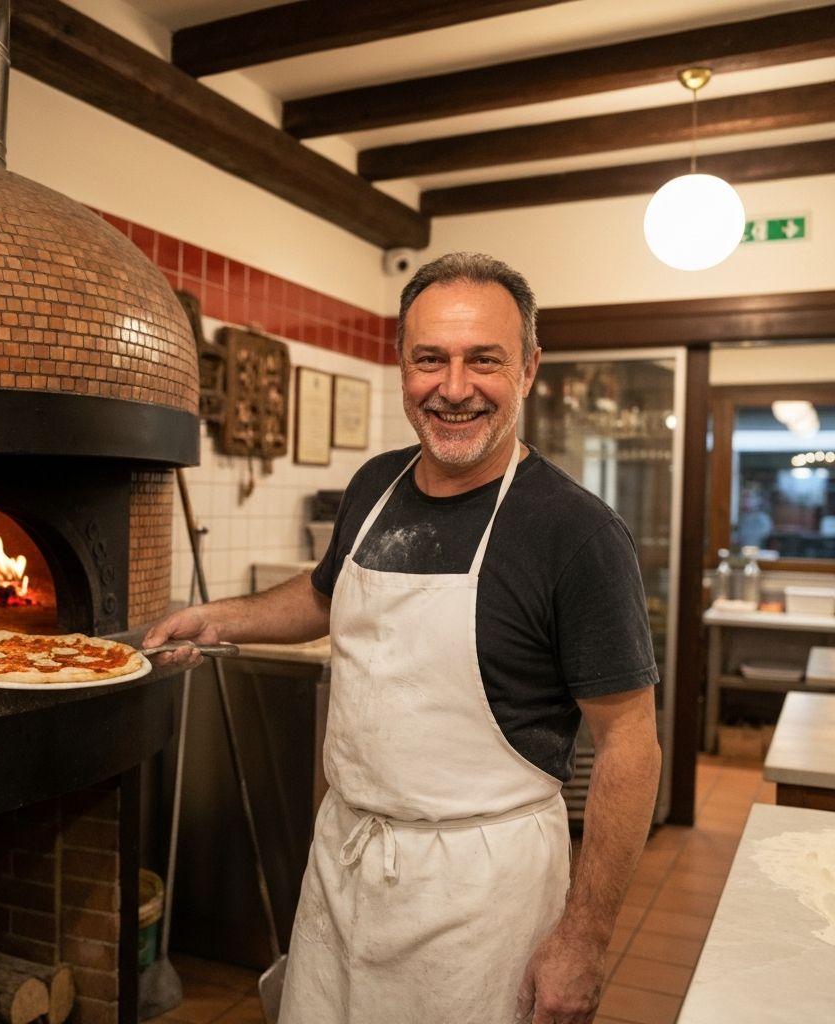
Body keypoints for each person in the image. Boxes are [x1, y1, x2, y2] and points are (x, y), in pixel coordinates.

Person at [144, 252, 662, 1024]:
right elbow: (325, 597)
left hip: (482, 895)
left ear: (528, 369)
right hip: (346, 866)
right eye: (431, 360)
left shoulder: (576, 534)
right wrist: (218, 619)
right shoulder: (374, 486)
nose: (453, 388)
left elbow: (629, 744)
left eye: (483, 359)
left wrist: (583, 940)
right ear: (402, 367)